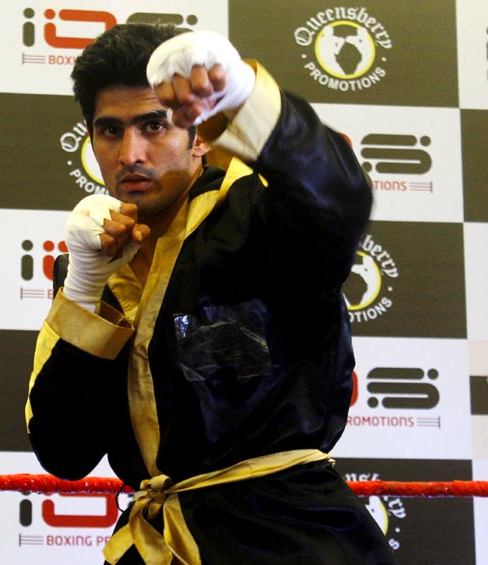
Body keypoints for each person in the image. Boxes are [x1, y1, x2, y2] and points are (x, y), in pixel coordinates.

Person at [25, 22, 395, 565]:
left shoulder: (260, 216)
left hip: (288, 538)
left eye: (154, 125)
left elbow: (337, 198)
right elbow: (64, 449)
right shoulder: (94, 257)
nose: (130, 152)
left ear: (199, 133)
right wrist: (85, 284)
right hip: (155, 542)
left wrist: (241, 95)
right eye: (110, 131)